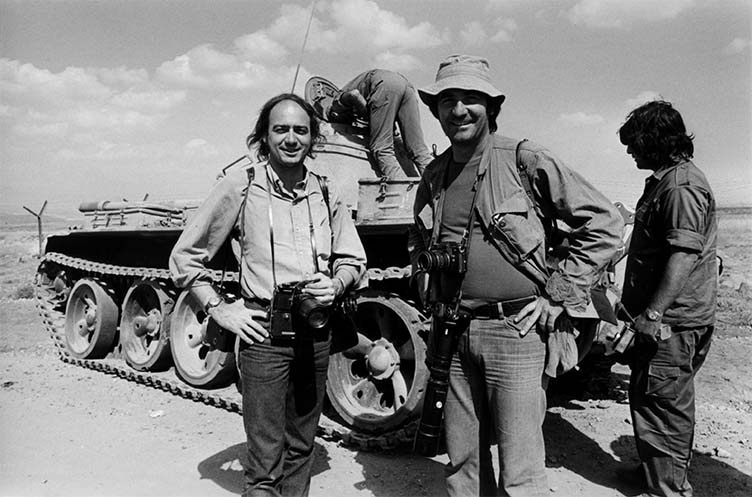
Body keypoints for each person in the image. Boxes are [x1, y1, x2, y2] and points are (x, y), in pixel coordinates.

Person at [408, 54, 623, 496]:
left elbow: (603, 222)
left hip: (515, 331)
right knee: (462, 463)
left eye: (471, 99)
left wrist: (559, 294)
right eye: (447, 100)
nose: (458, 110)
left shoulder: (524, 158)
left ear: (491, 107)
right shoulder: (434, 174)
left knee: (520, 467)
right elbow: (419, 242)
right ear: (436, 111)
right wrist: (427, 287)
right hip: (452, 331)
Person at [169, 93, 367, 497]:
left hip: (315, 331)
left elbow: (353, 258)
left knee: (302, 445)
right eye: (281, 129)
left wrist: (338, 282)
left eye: (301, 130)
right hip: (263, 332)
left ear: (313, 138)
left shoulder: (327, 191)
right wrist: (219, 309)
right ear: (265, 135)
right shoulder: (240, 185)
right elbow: (185, 257)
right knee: (264, 459)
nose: (291, 139)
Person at [618, 100, 717, 497]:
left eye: (635, 143)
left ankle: (669, 489)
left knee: (665, 408)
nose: (630, 152)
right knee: (648, 397)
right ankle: (654, 475)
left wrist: (654, 313)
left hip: (672, 323)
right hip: (666, 321)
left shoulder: (681, 186)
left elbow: (683, 254)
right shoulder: (667, 181)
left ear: (657, 141)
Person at [327, 69, 433, 179]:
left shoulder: (335, 103)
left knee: (382, 147)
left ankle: (402, 188)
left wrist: (370, 118)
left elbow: (354, 95)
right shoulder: (359, 84)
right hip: (406, 86)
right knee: (418, 149)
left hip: (384, 86)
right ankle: (437, 184)